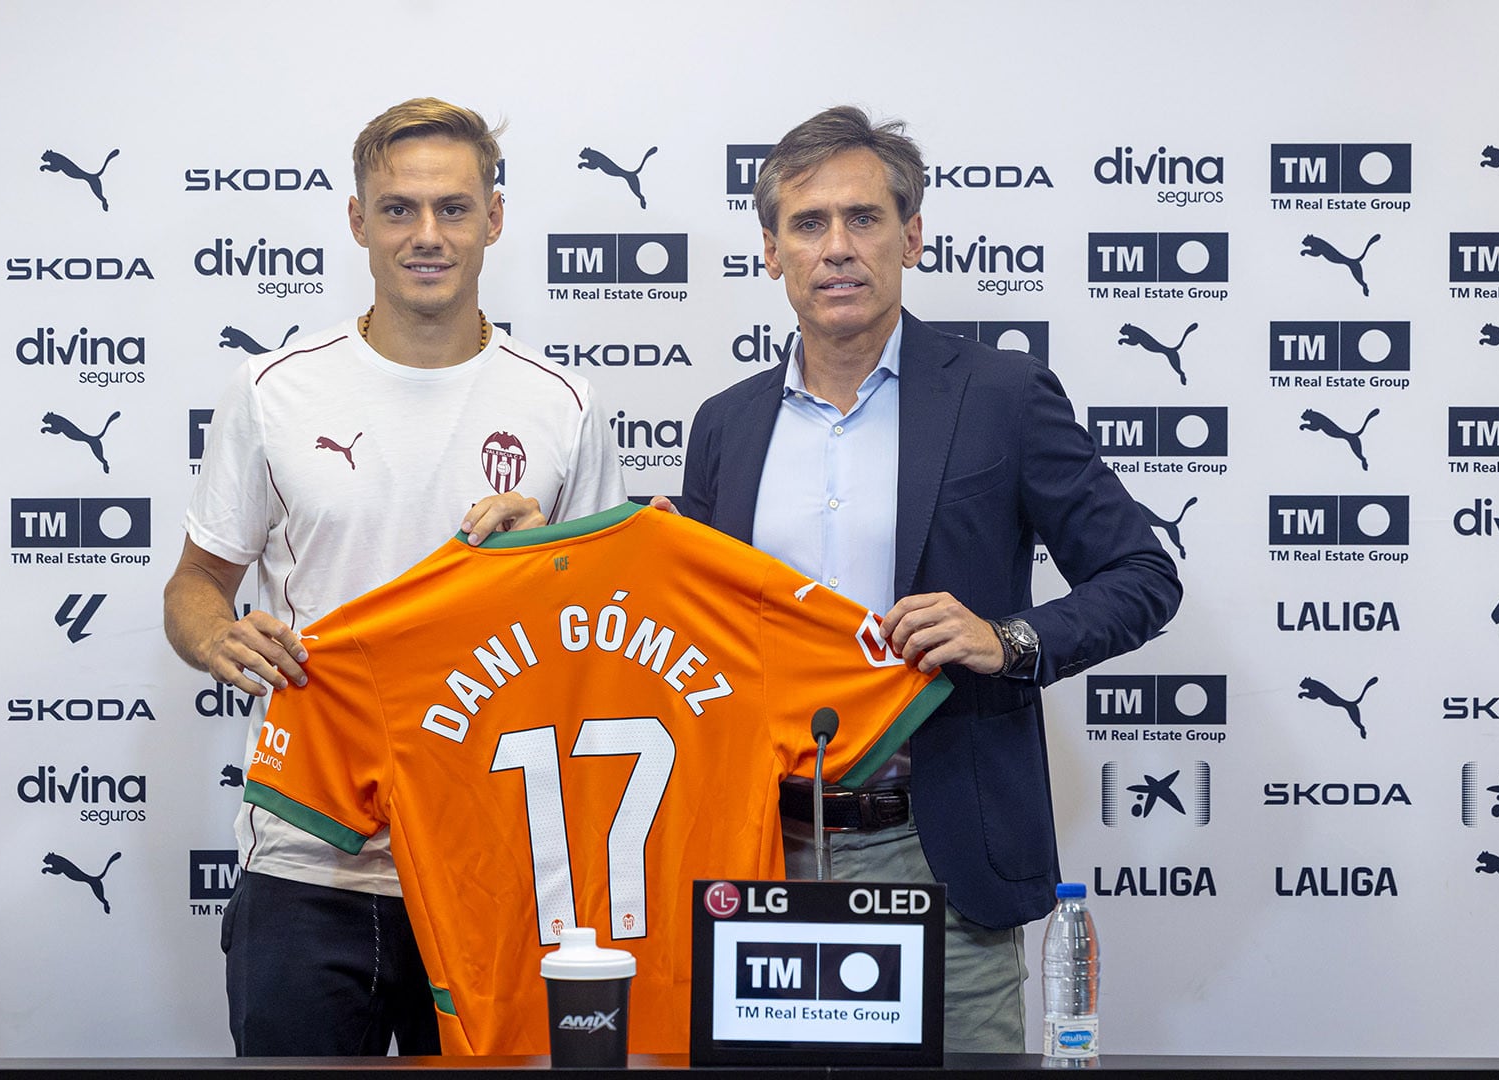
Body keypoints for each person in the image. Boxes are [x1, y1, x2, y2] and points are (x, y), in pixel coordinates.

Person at [678, 106, 1182, 1052]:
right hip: (756, 855)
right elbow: (689, 630)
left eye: (864, 219)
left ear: (911, 237)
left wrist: (1009, 640)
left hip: (940, 848)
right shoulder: (725, 425)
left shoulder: (1001, 395)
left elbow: (1143, 575)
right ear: (769, 251)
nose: (837, 248)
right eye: (808, 224)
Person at [163, 97, 626, 1056]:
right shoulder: (273, 389)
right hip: (308, 863)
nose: (428, 235)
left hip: (496, 865)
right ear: (357, 221)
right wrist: (215, 632)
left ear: (494, 219)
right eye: (399, 209)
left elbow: (602, 636)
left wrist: (554, 561)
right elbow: (195, 583)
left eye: (454, 209)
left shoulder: (564, 403)